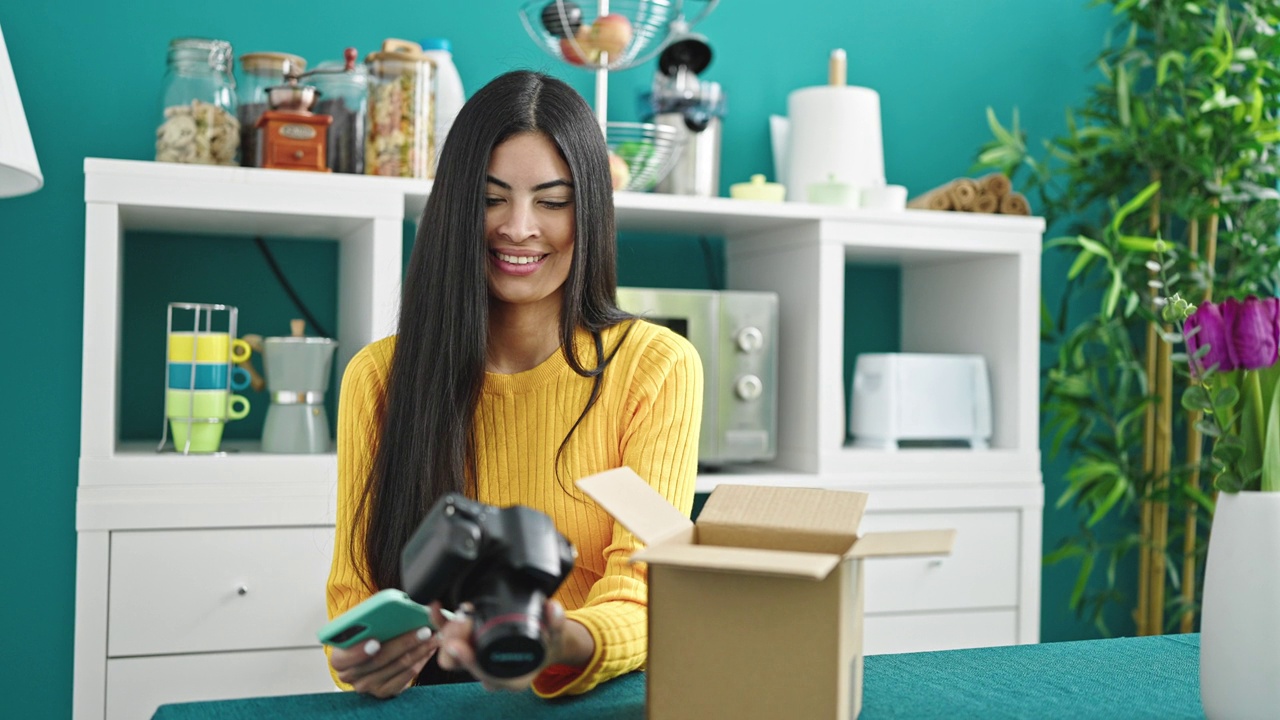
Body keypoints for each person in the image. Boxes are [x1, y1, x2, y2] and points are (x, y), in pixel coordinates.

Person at [325, 69, 703, 699]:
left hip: (587, 700)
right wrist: (361, 659)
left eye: (552, 201)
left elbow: (645, 596)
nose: (519, 227)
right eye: (490, 197)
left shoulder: (654, 366)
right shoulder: (379, 379)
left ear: (590, 212)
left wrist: (558, 642)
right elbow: (354, 602)